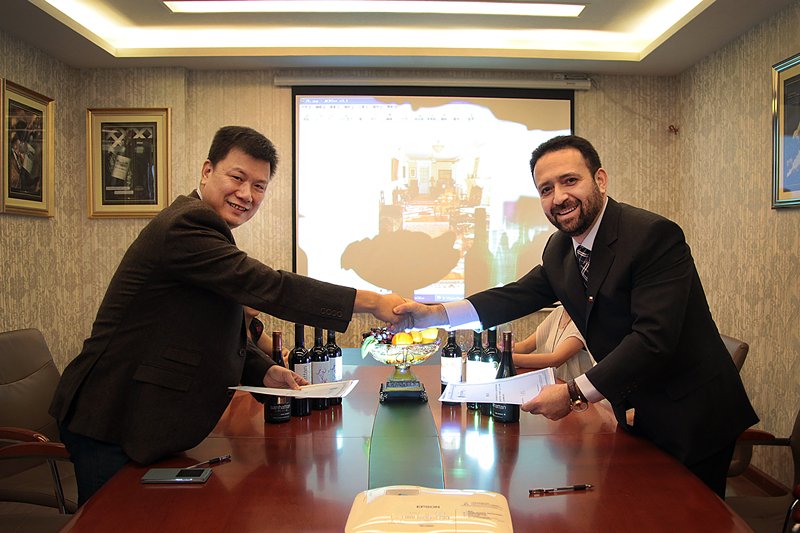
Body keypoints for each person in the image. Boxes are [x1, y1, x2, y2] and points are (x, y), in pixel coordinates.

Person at [50, 126, 406, 505]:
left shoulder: (207, 228)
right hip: (113, 415)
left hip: (140, 419)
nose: (246, 194)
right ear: (207, 171)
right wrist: (372, 301)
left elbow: (209, 325)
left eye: (259, 186)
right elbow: (270, 286)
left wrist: (262, 370)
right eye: (237, 178)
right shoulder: (186, 225)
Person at [393, 135, 758, 498]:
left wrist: (572, 393)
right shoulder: (560, 249)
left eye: (569, 181)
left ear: (600, 180)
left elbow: (653, 340)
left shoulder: (652, 236)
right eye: (546, 189)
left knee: (690, 515)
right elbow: (515, 296)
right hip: (635, 408)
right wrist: (433, 315)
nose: (559, 197)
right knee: (636, 508)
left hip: (693, 414)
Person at [512, 305, 594, 381]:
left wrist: (509, 358)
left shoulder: (584, 319)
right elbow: (526, 346)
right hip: (553, 384)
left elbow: (554, 360)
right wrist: (505, 347)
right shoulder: (559, 311)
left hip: (572, 389)